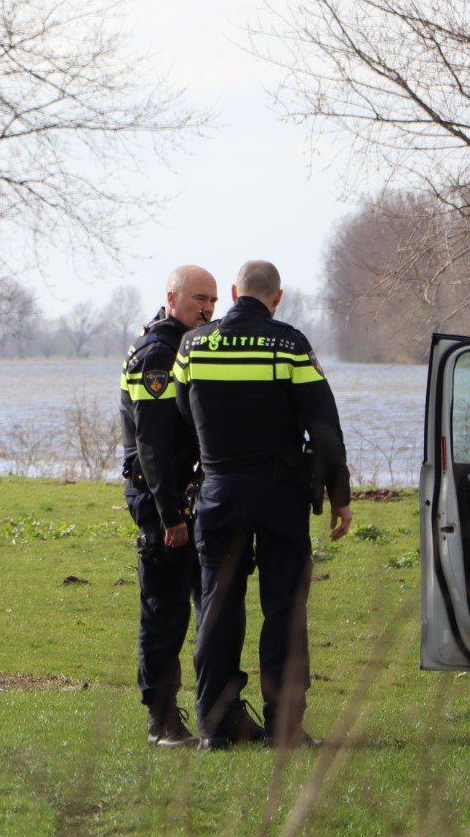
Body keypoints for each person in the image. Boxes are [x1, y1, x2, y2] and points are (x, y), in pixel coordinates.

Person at [173, 259, 352, 750]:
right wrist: (340, 497)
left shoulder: (193, 345)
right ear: (277, 297)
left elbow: (180, 413)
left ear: (233, 292)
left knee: (217, 609)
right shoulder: (290, 344)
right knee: (285, 610)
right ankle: (284, 727)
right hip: (279, 495)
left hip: (218, 492)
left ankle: (214, 727)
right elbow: (325, 427)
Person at [119, 264, 218, 747]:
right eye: (199, 298)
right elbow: (152, 447)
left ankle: (214, 715)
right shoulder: (158, 353)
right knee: (165, 612)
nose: (207, 309)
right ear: (172, 297)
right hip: (162, 500)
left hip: (186, 497)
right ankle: (161, 720)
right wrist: (170, 517)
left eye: (214, 301)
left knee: (203, 606)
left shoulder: (186, 347)